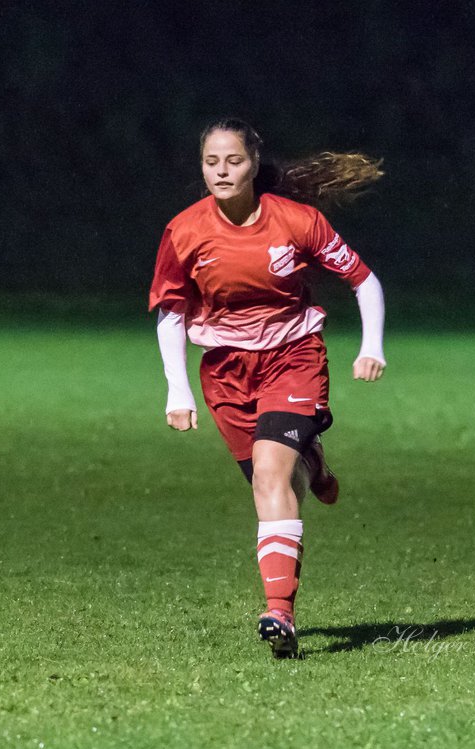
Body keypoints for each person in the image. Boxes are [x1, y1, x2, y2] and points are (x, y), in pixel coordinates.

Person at [149, 118, 387, 658]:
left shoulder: (297, 221)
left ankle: (280, 611)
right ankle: (314, 459)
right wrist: (177, 390)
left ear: (254, 163)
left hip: (293, 357)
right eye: (211, 162)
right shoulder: (184, 230)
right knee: (273, 481)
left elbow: (363, 279)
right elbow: (170, 312)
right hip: (226, 371)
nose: (221, 171)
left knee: (270, 478)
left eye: (232, 161)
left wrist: (371, 346)